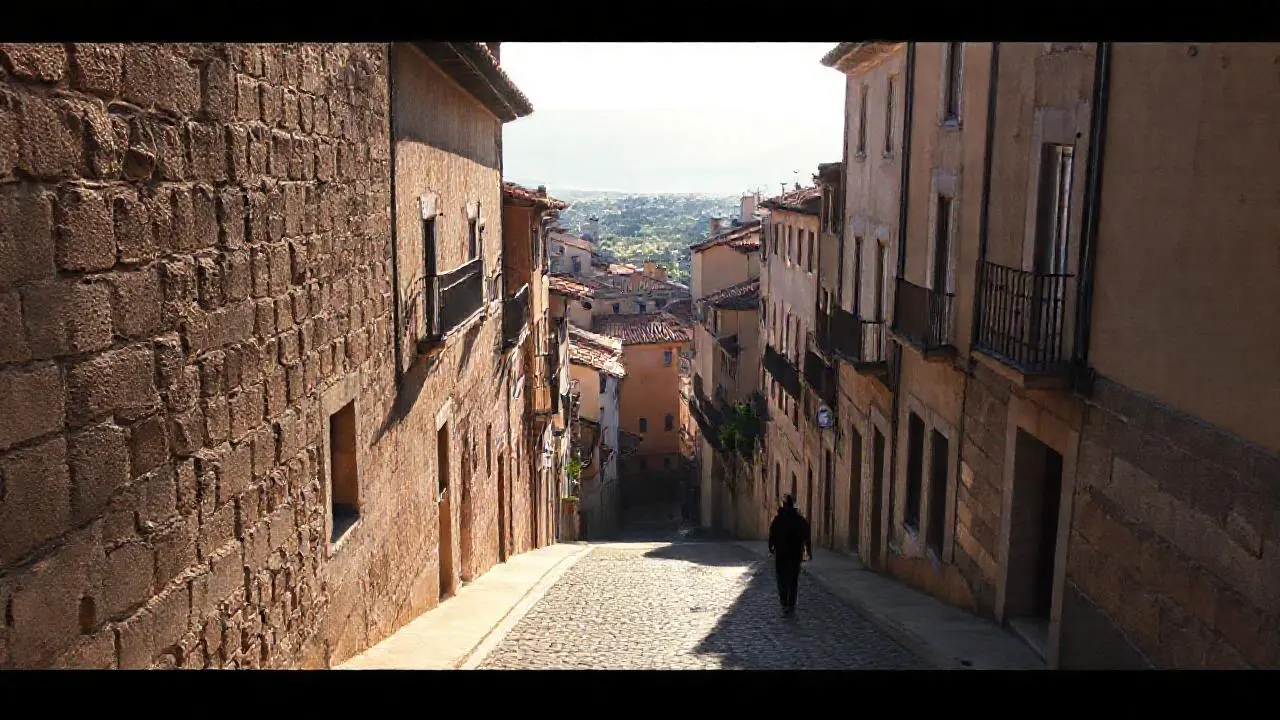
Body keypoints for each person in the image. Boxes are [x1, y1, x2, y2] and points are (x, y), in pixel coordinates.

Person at [768, 494, 812, 614]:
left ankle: (784, 600)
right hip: (795, 553)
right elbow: (806, 536)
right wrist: (808, 550)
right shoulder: (799, 520)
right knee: (793, 578)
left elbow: (772, 534)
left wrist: (771, 547)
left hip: (781, 553)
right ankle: (791, 602)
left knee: (781, 577)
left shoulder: (778, 519)